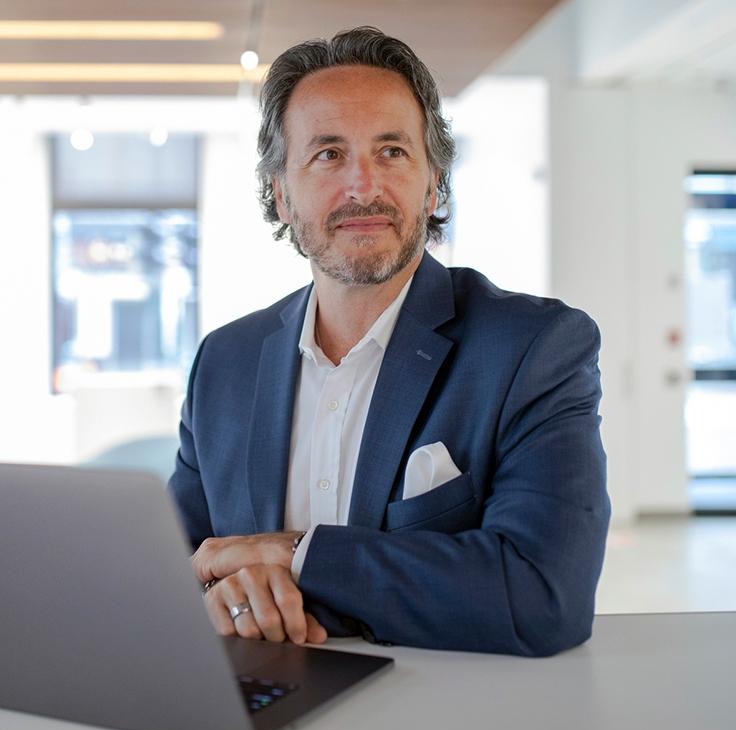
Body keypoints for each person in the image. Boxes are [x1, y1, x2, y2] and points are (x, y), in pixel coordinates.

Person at [169, 26, 610, 656]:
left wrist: (297, 554)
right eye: (327, 154)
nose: (363, 187)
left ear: (434, 185)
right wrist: (219, 600)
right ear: (281, 194)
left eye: (393, 152)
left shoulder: (534, 349)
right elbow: (181, 571)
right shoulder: (224, 362)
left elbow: (544, 595)